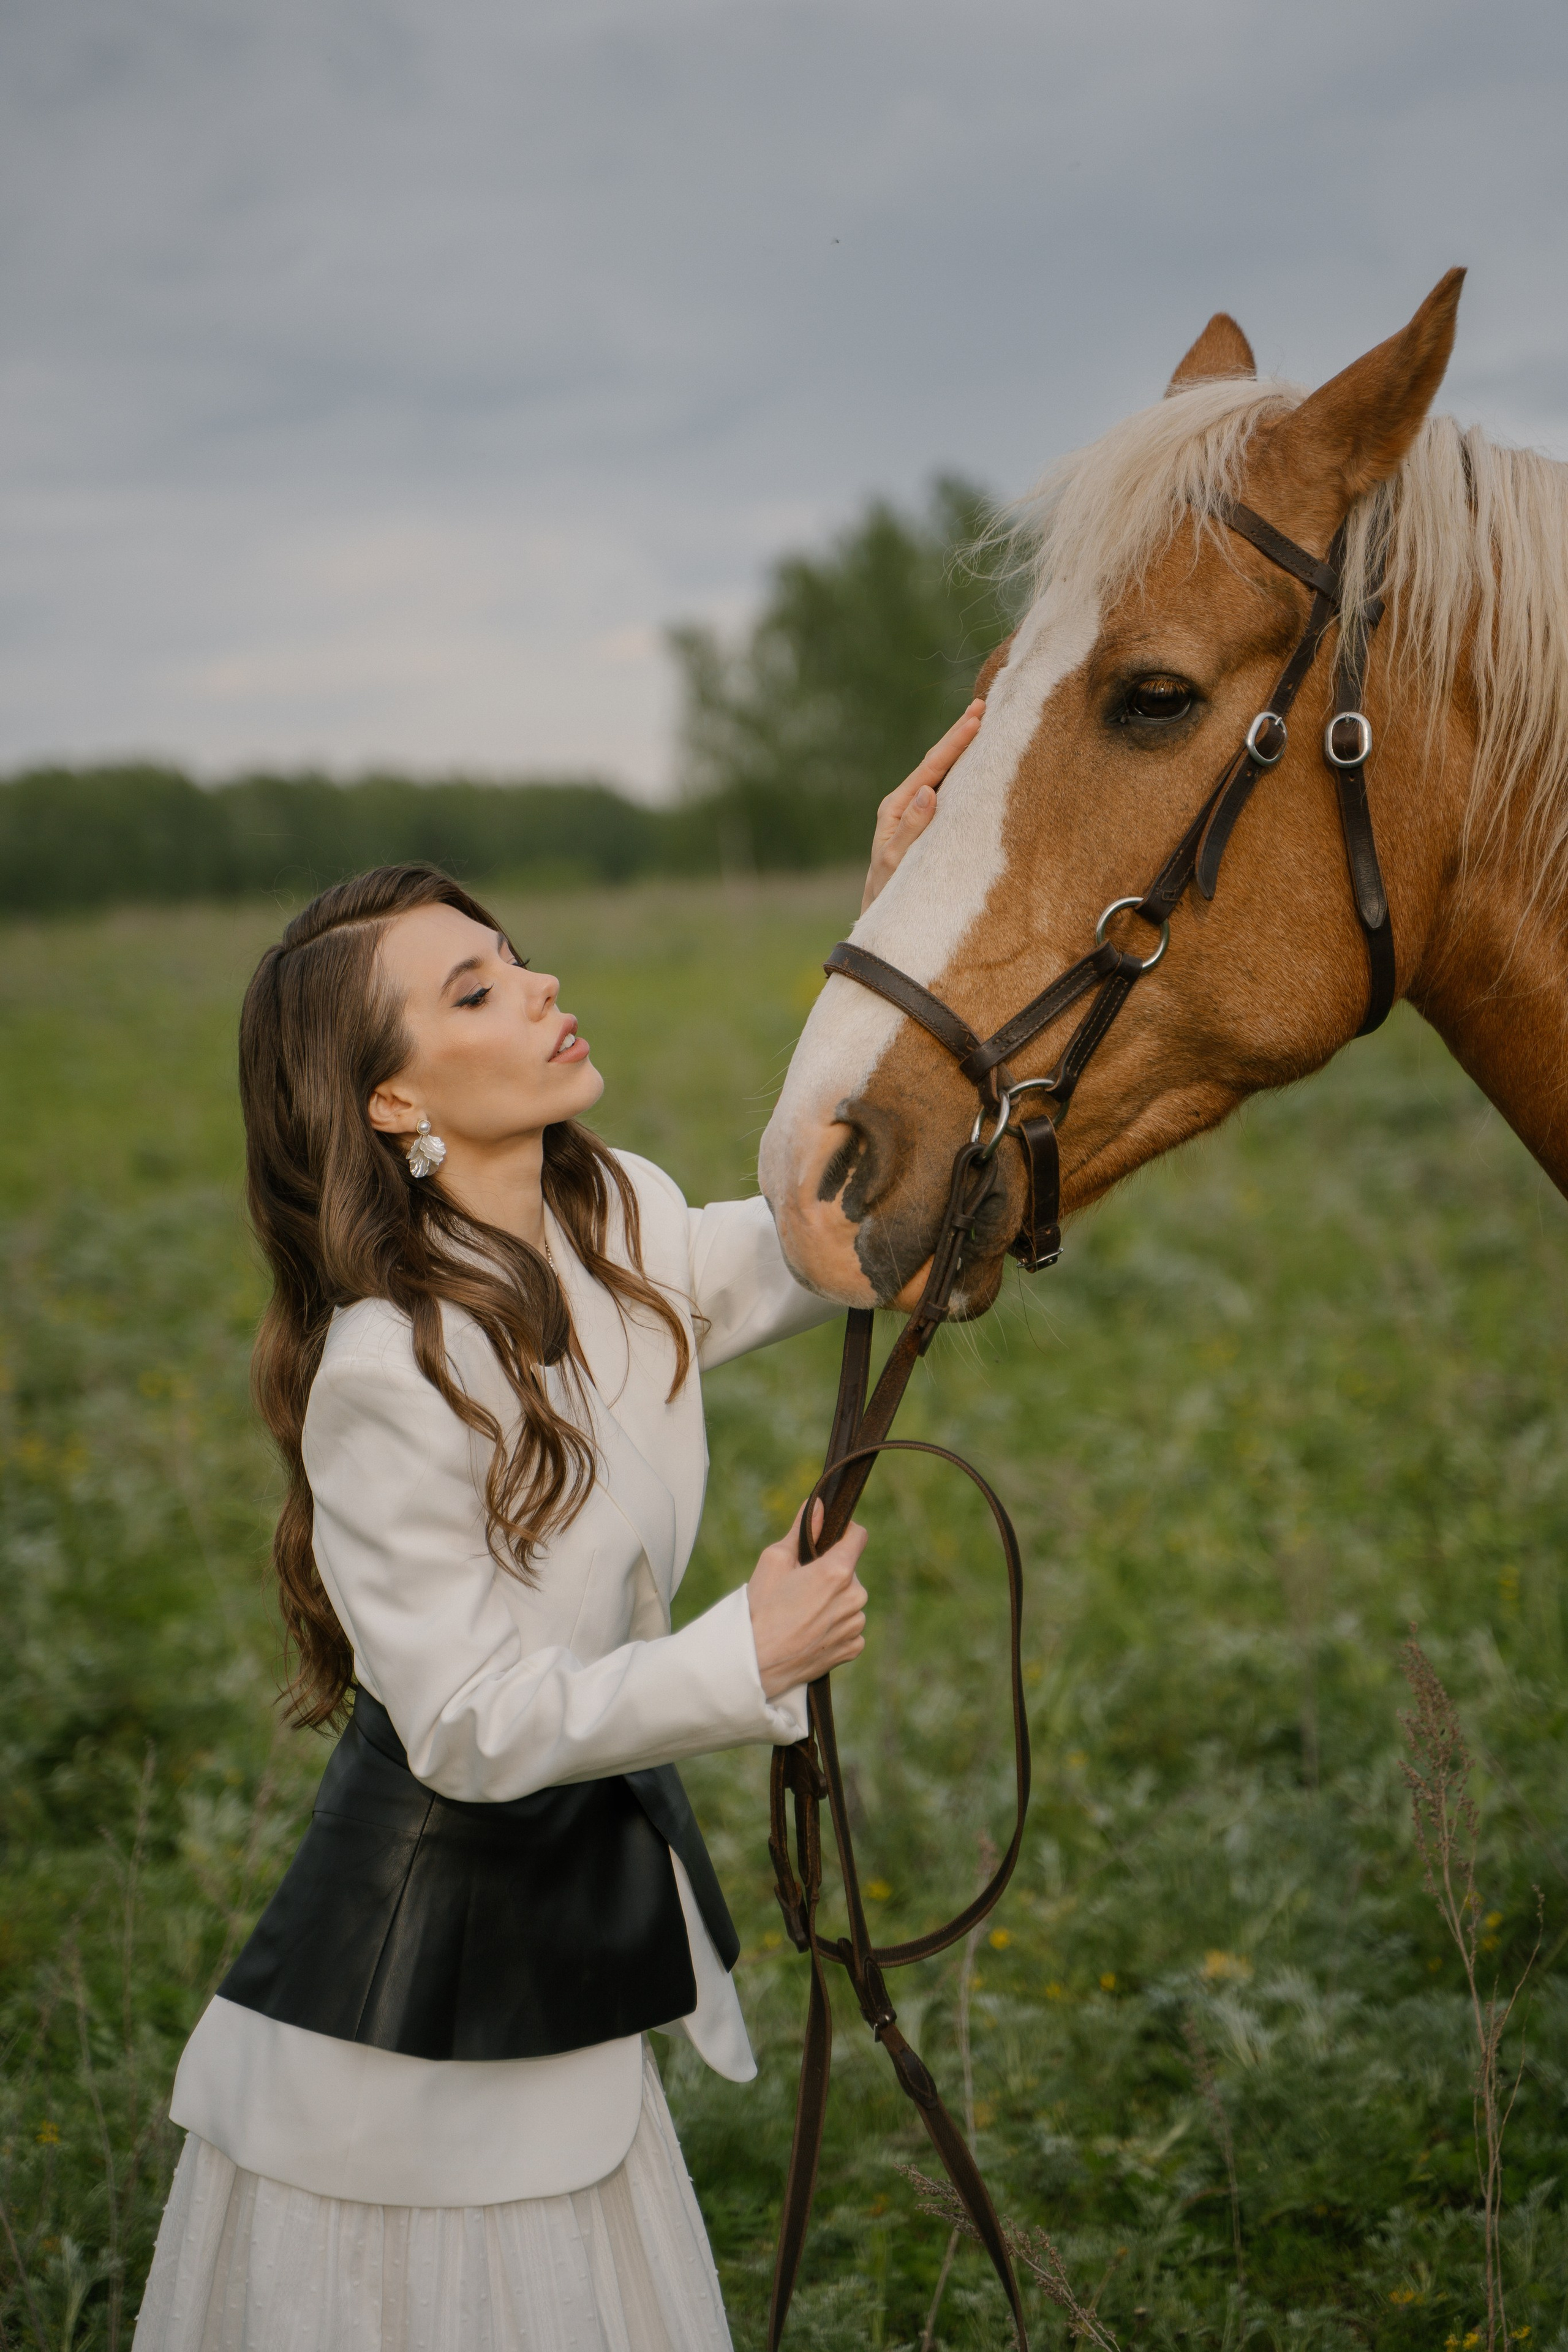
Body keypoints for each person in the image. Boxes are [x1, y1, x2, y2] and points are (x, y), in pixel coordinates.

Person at [130, 703, 984, 2352]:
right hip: (402, 2045)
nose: (534, 985)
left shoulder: (620, 1223)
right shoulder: (388, 1371)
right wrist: (745, 1656)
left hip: (565, 1985)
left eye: (511, 958)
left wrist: (911, 910)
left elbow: (811, 1238)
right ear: (391, 1103)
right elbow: (460, 1726)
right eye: (473, 991)